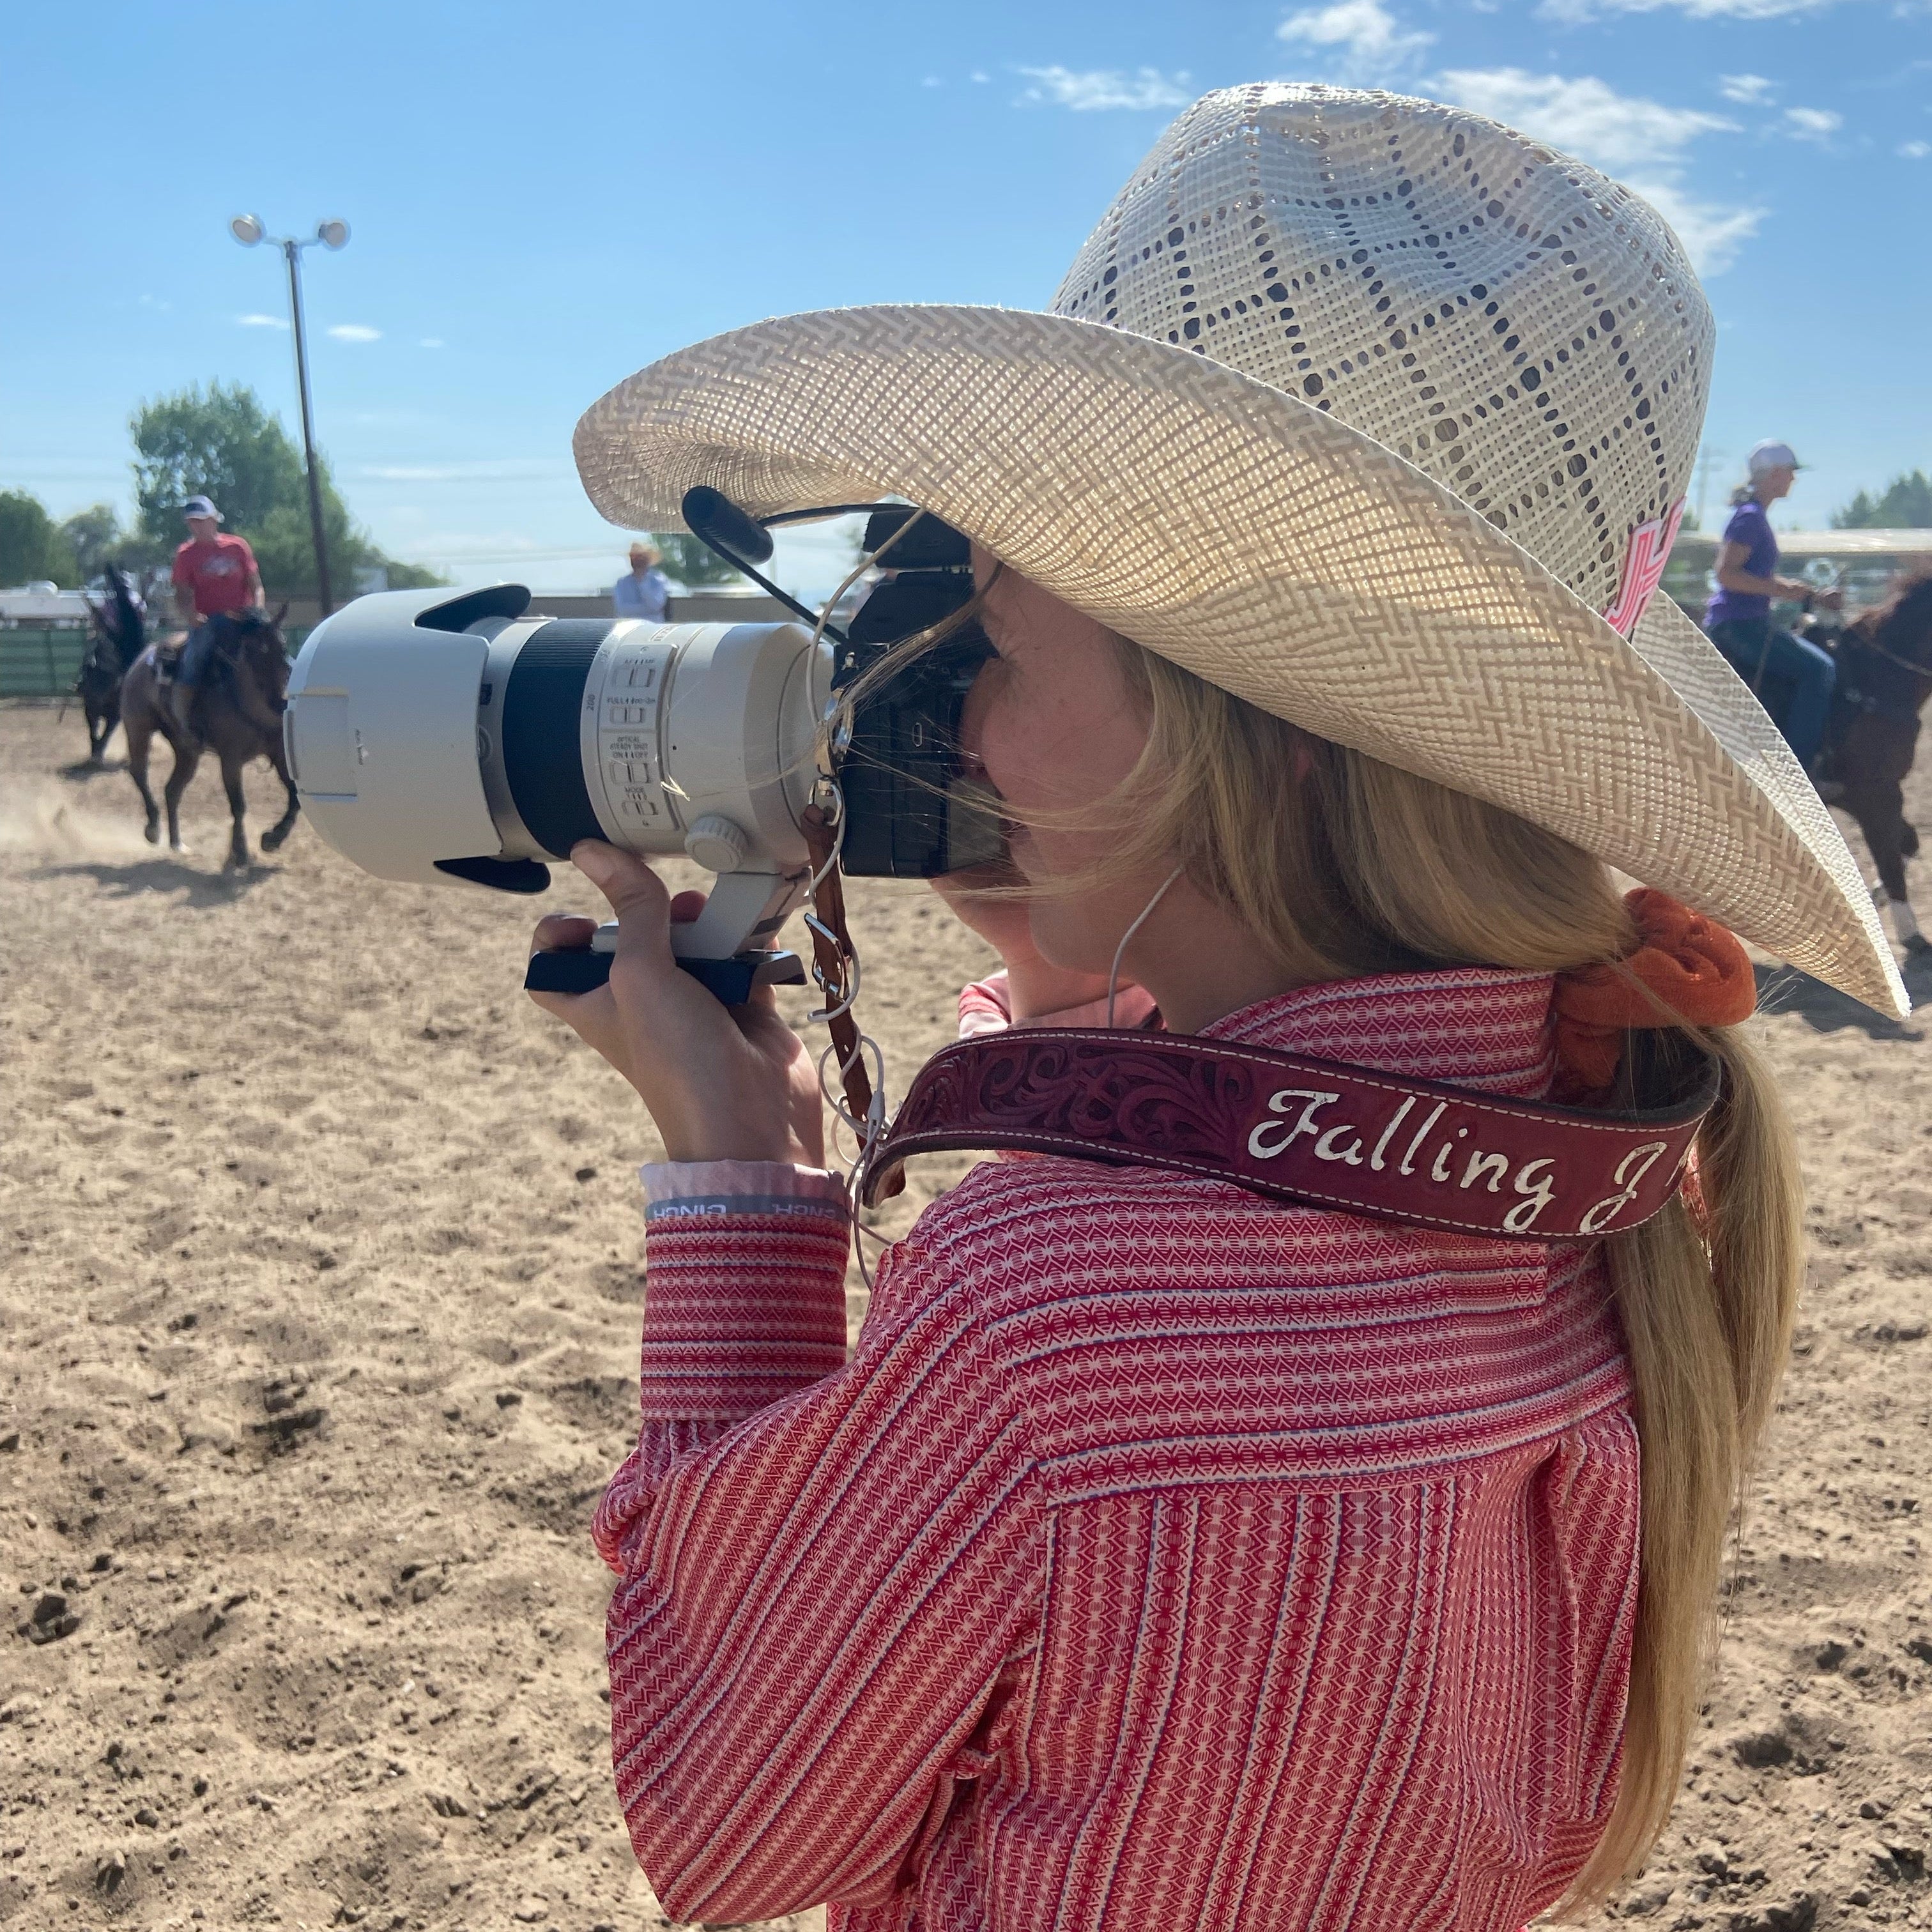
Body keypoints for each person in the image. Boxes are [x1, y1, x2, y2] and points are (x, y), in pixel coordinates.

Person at [534, 86, 1900, 1932]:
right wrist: (1068, 950)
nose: (947, 720)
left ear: (1213, 734)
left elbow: (724, 1828)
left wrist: (735, 1193)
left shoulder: (1044, 1306)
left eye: (992, 646)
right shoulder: (1622, 1179)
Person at [1703, 441, 1839, 772]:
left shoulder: (1753, 516)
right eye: (1791, 473)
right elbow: (1727, 574)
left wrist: (1794, 591)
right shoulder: (1751, 518)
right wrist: (1781, 589)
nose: (1793, 480)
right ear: (1775, 474)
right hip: (1740, 625)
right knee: (1820, 670)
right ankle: (1798, 772)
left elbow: (1746, 575)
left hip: (1742, 621)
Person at [168, 495, 263, 737]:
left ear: (214, 520)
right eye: (192, 522)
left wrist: (259, 610)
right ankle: (185, 724)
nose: (196, 526)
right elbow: (181, 593)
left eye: (201, 520)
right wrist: (191, 616)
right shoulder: (186, 555)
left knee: (272, 650)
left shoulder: (237, 547)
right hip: (209, 622)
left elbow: (256, 586)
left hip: (243, 619)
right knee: (192, 663)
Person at [613, 540, 670, 620]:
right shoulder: (622, 583)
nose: (636, 560)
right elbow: (622, 610)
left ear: (648, 559)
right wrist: (647, 609)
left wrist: (643, 582)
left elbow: (656, 605)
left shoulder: (658, 579)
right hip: (631, 628)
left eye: (640, 557)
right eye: (633, 557)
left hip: (654, 628)